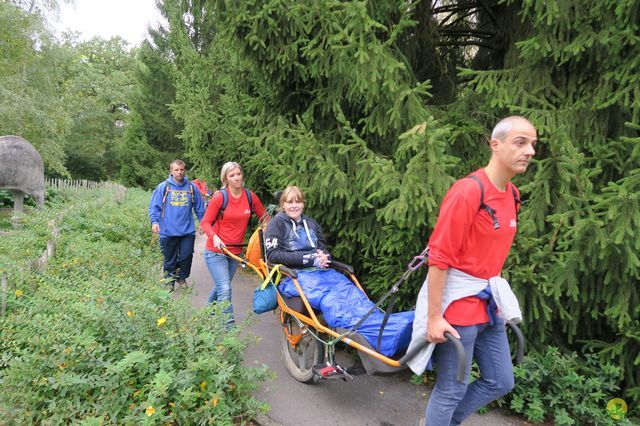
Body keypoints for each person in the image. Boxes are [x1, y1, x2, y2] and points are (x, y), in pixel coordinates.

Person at [408, 116, 537, 425]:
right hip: (458, 307)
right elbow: (439, 258)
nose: (530, 150)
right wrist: (434, 316)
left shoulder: (512, 195)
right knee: (451, 389)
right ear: (496, 144)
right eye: (521, 142)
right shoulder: (468, 191)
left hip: (487, 304)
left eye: (533, 143)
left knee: (501, 380)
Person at [201, 161, 266, 326]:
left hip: (234, 252)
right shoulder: (220, 197)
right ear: (226, 179)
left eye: (238, 174)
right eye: (232, 175)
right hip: (215, 251)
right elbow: (205, 223)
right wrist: (214, 237)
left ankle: (205, 317)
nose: (237, 178)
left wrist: (270, 229)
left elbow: (265, 219)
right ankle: (230, 331)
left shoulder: (250, 197)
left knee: (221, 288)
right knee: (225, 289)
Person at [148, 159, 206, 291]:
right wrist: (154, 222)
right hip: (167, 231)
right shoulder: (163, 187)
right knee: (169, 258)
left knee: (186, 256)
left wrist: (202, 223)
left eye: (181, 170)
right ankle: (169, 281)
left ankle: (181, 277)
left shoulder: (192, 188)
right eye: (176, 170)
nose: (179, 172)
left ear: (184, 170)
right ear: (171, 171)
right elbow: (154, 207)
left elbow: (199, 208)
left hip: (187, 231)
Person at [264, 185, 331, 269]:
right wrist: (305, 258)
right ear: (283, 205)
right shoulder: (276, 224)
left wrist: (324, 257)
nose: (294, 206)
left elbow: (323, 249)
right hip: (291, 274)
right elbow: (272, 255)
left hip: (318, 272)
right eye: (290, 202)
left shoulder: (312, 224)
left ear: (303, 204)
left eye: (298, 202)